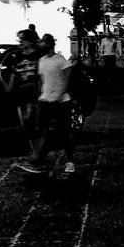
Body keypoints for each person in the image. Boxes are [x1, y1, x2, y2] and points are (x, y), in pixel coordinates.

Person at [29, 34, 78, 179]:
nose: (41, 45)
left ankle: (70, 162)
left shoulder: (60, 60)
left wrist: (59, 95)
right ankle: (40, 158)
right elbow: (42, 80)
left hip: (61, 101)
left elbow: (67, 80)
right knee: (41, 130)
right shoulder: (42, 60)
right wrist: (42, 94)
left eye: (44, 42)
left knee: (63, 132)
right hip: (45, 99)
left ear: (50, 44)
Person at [0, 28, 45, 172]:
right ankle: (36, 153)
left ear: (30, 41)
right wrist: (7, 84)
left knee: (33, 121)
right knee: (26, 125)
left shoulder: (39, 55)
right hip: (20, 94)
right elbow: (5, 71)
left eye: (22, 39)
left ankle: (38, 156)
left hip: (35, 93)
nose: (20, 42)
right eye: (19, 39)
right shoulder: (14, 56)